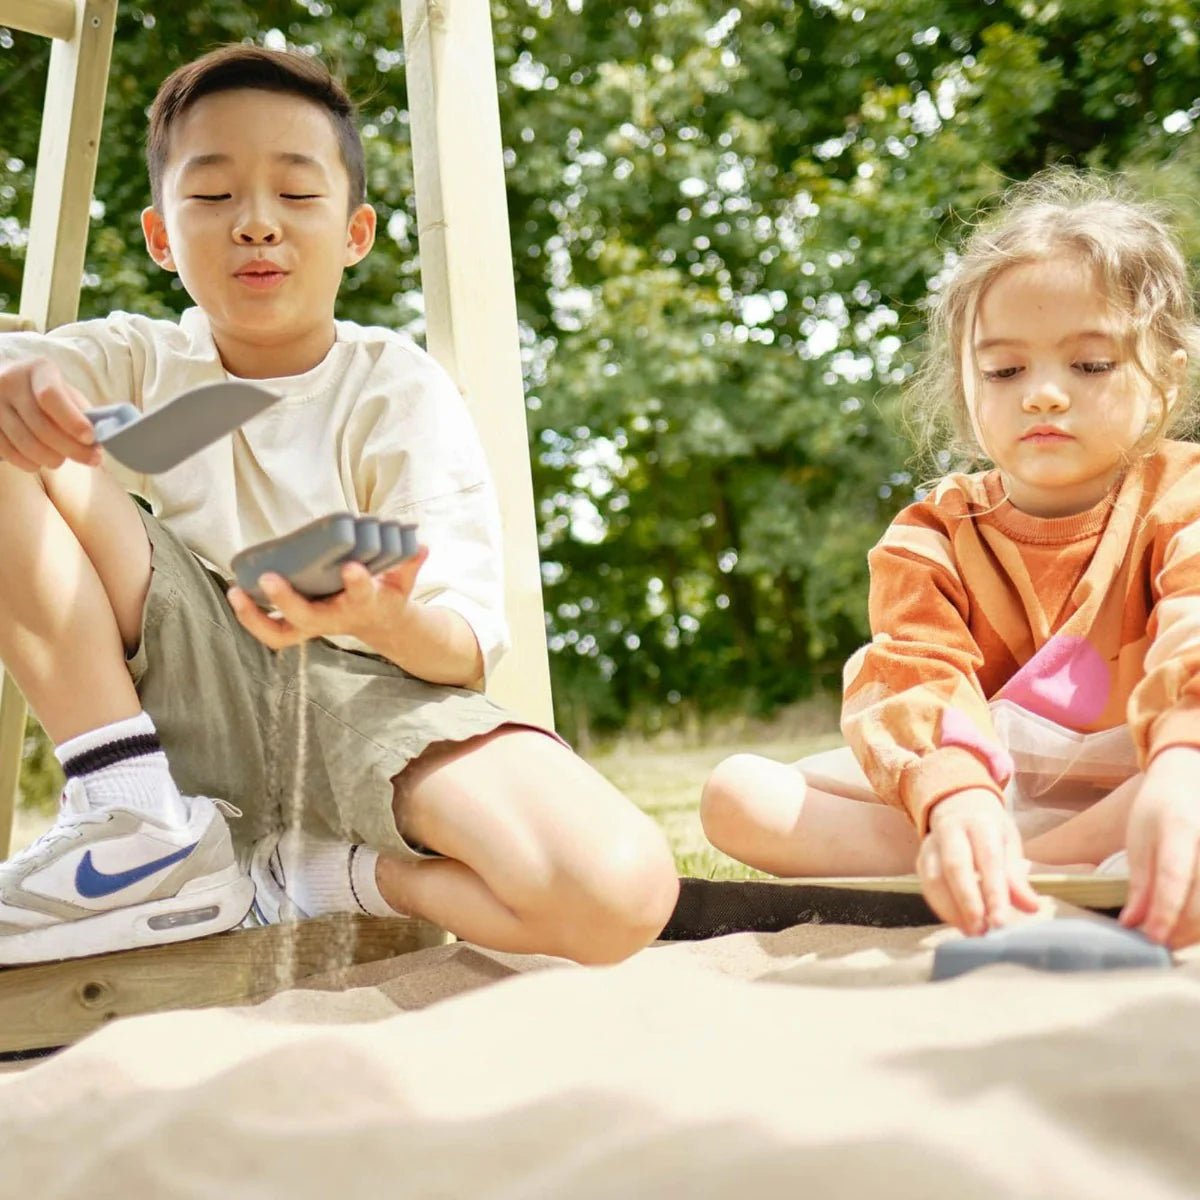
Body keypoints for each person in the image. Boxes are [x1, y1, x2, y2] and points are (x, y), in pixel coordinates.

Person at [0, 45, 678, 966]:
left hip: (373, 701)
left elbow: (465, 647)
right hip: (183, 686)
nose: (256, 225)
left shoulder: (397, 389)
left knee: (620, 890)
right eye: (211, 196)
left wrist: (379, 614)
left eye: (295, 193)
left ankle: (310, 874)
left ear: (355, 232)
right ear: (161, 238)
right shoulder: (142, 358)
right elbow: (23, 376)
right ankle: (131, 815)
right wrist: (17, 375)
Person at [701, 170, 1200, 948]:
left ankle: (1029, 867)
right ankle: (1009, 863)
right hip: (990, 790)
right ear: (967, 386)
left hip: (1159, 776)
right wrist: (957, 802)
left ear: (1163, 381)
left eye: (1090, 365)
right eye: (1006, 370)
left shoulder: (1185, 495)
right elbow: (913, 674)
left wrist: (1182, 769)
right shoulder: (930, 531)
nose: (1041, 394)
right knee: (737, 794)